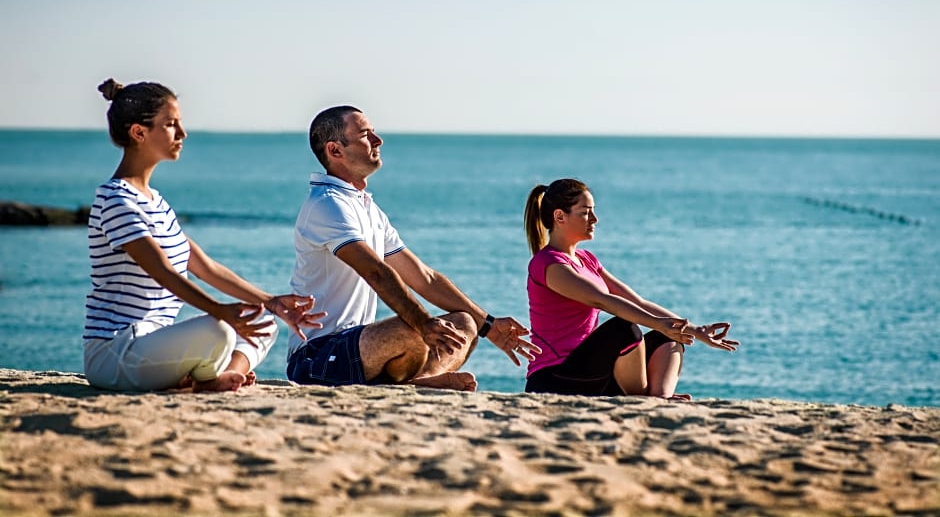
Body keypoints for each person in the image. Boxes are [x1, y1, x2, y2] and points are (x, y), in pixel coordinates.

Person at [84, 79, 325, 392]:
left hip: (152, 347)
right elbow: (164, 272)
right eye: (171, 125)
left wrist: (271, 302)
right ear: (138, 133)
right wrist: (220, 311)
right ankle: (205, 378)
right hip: (115, 354)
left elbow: (205, 267)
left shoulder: (155, 202)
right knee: (219, 331)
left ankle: (218, 375)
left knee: (262, 320)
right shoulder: (116, 200)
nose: (182, 134)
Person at [285, 105, 540, 391]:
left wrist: (489, 325)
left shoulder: (367, 208)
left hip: (361, 348)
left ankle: (420, 380)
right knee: (412, 329)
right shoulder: (327, 203)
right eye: (365, 135)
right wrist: (423, 324)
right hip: (316, 356)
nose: (378, 140)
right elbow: (376, 272)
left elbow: (424, 277)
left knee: (465, 324)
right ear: (335, 151)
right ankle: (420, 378)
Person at [523, 178, 738, 399]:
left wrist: (694, 330)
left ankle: (659, 399)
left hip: (594, 375)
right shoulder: (548, 264)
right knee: (625, 329)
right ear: (560, 217)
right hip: (555, 378)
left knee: (669, 339)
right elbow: (602, 300)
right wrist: (657, 323)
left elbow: (639, 302)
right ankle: (642, 397)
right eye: (586, 212)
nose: (595, 219)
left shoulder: (586, 259)